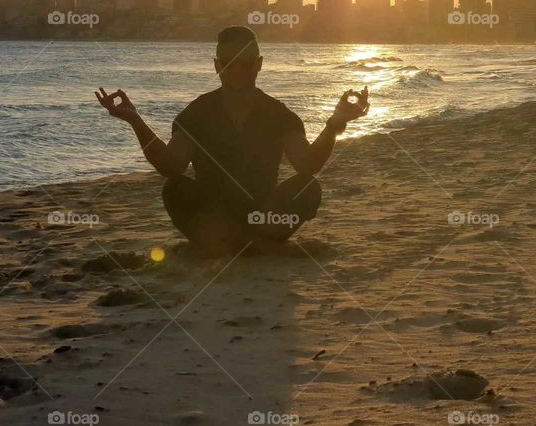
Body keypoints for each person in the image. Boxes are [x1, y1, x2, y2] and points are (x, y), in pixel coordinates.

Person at [96, 26, 370, 255]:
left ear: (259, 64)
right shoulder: (197, 113)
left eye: (246, 62)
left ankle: (241, 243)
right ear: (217, 66)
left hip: (264, 216)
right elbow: (172, 167)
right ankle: (250, 246)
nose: (237, 69)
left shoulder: (279, 114)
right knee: (175, 188)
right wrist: (135, 121)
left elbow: (306, 165)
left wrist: (336, 123)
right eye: (228, 62)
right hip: (214, 217)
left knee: (308, 187)